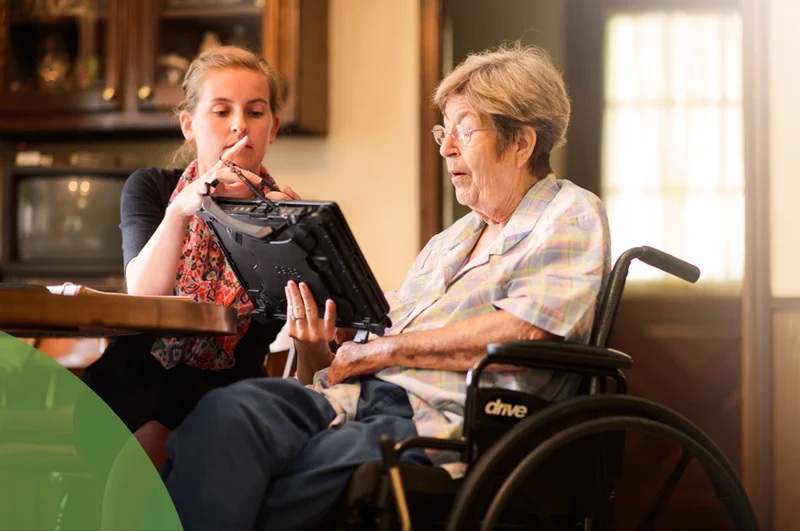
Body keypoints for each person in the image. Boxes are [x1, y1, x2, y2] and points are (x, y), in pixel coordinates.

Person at [162, 43, 611, 530]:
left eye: (464, 129)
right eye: (445, 130)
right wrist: (328, 310)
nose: (446, 148)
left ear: (521, 142)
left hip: (440, 421)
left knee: (282, 487)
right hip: (350, 398)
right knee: (224, 415)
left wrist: (383, 352)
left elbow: (530, 330)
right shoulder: (452, 240)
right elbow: (380, 327)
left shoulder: (567, 212)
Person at [77, 46, 300, 472]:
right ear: (189, 125)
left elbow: (314, 330)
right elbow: (143, 296)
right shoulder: (151, 189)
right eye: (221, 111)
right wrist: (182, 209)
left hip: (231, 395)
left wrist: (289, 236)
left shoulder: (286, 215)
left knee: (210, 428)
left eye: (255, 112)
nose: (239, 126)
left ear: (272, 129)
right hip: (133, 386)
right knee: (157, 432)